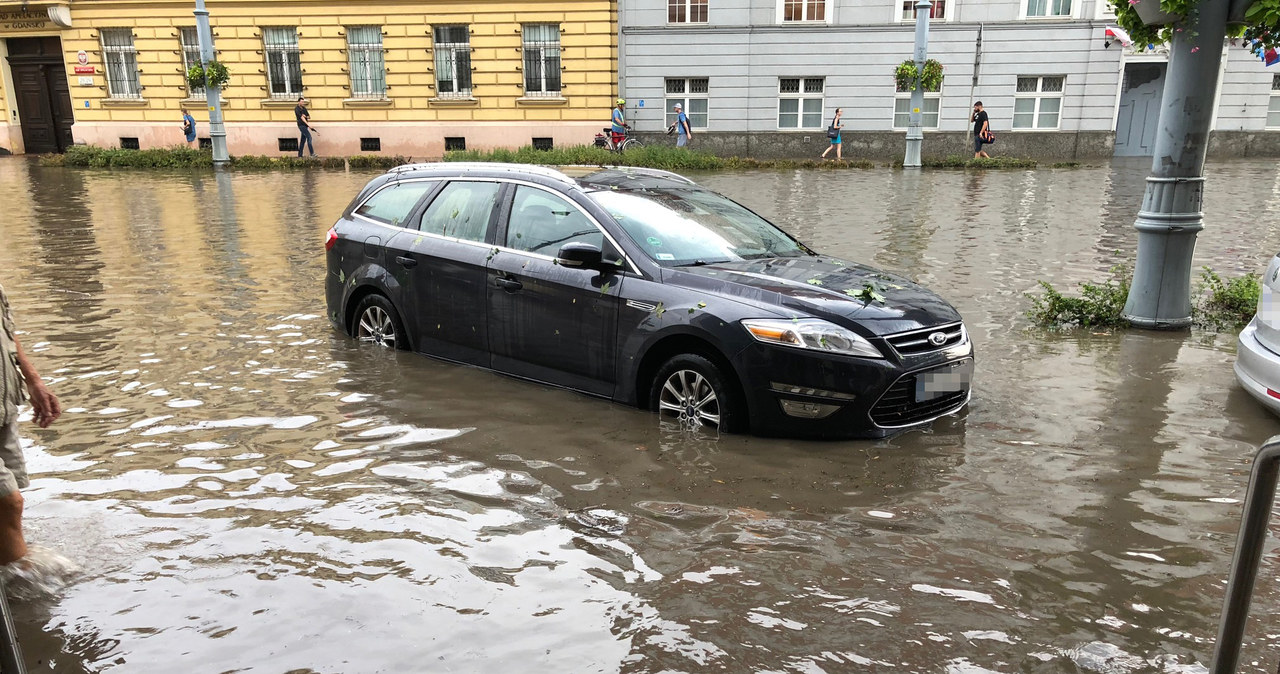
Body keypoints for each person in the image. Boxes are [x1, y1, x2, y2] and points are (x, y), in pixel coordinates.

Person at [0, 283, 60, 567]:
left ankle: (15, 586)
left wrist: (33, 379)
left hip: (4, 403)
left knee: (9, 505)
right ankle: (22, 593)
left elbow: (8, 333)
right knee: (8, 501)